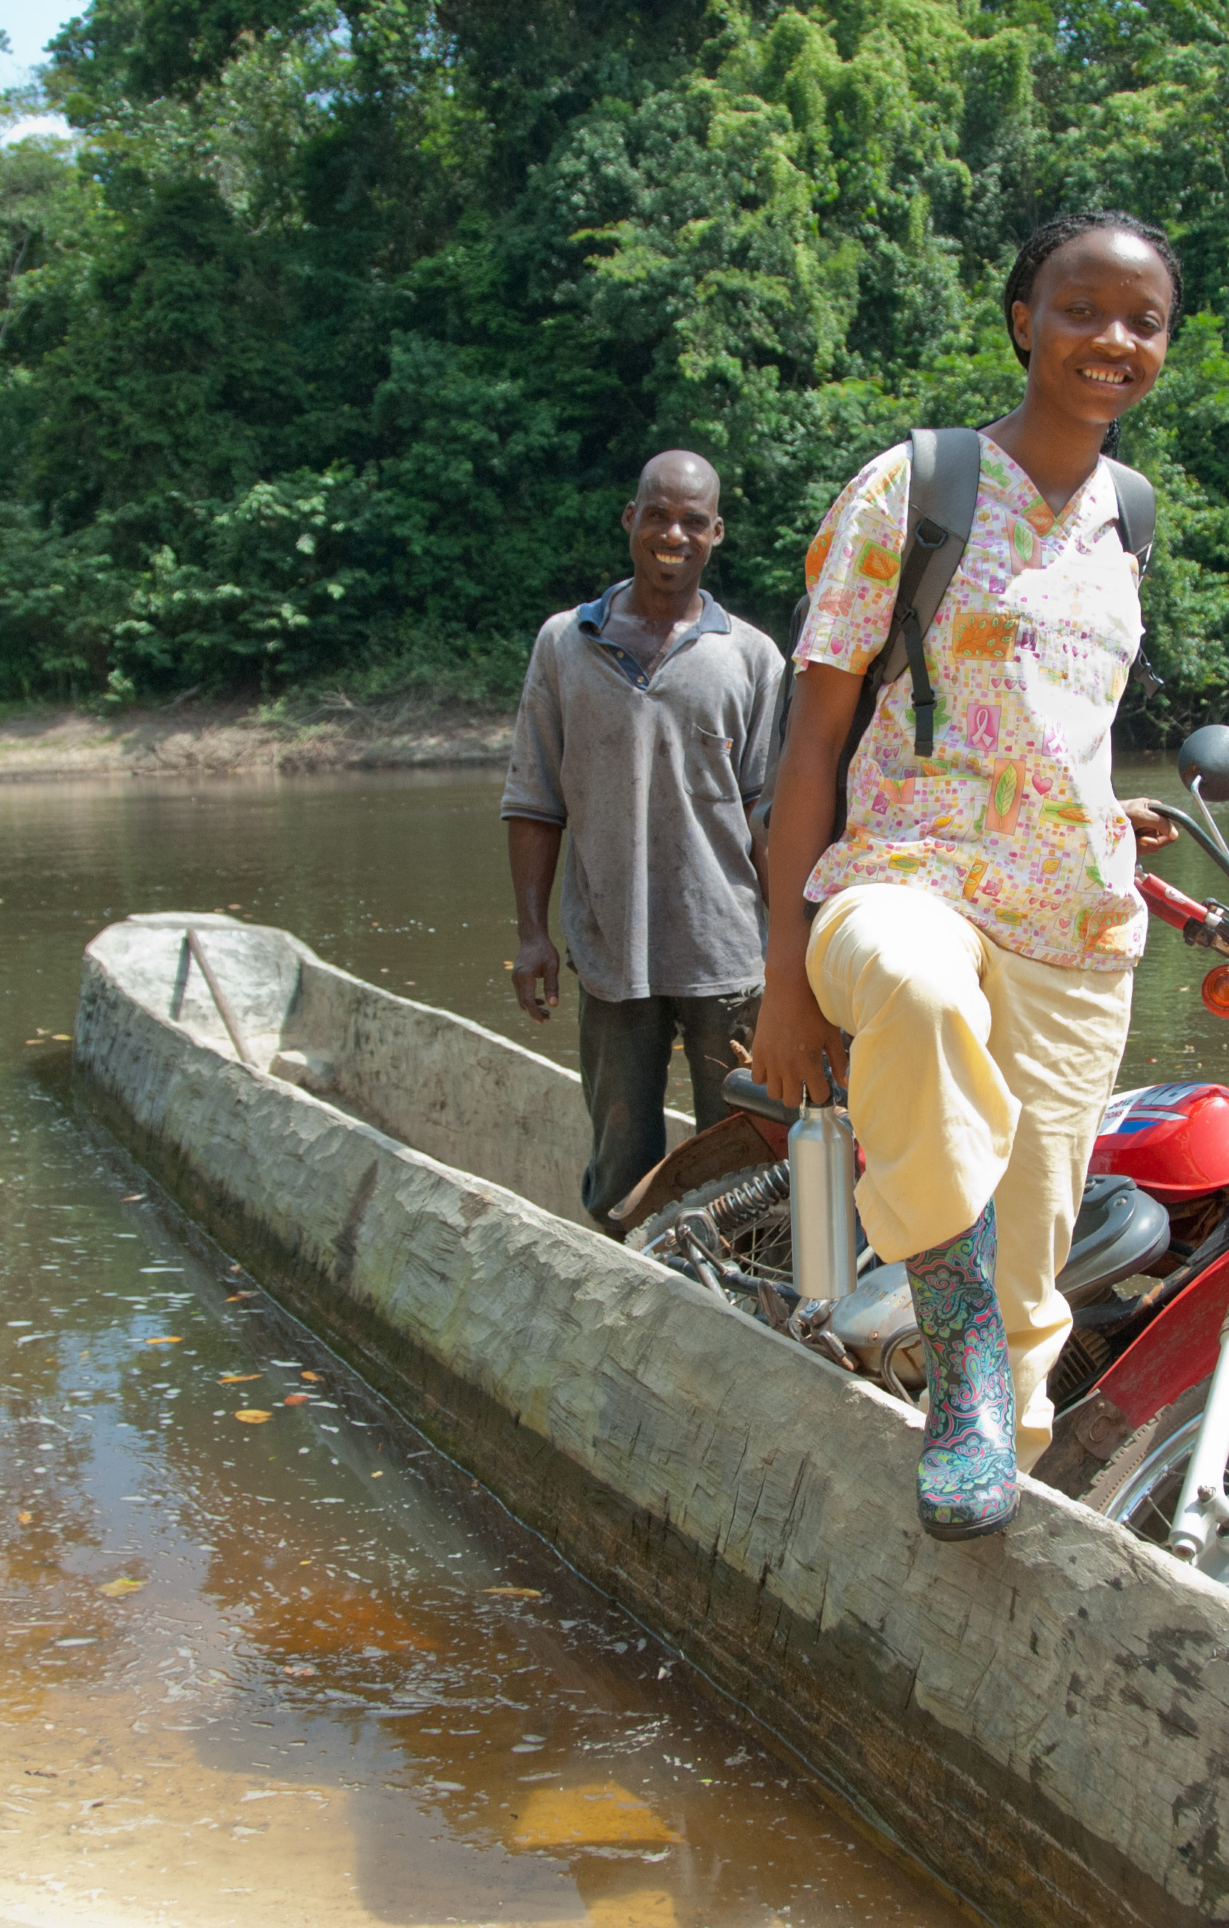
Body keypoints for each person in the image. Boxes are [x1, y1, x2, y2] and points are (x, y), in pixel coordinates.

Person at [748, 213, 1185, 1541]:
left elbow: (1057, 714)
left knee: (1039, 1259)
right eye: (1080, 308)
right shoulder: (919, 486)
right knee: (919, 990)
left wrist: (1108, 811)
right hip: (905, 874)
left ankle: (1000, 1501)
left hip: (1074, 925)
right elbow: (816, 740)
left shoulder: (1133, 519)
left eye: (1142, 320)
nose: (1111, 340)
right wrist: (782, 982)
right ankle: (955, 1354)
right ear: (1022, 320)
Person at [503, 451, 788, 1231]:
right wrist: (533, 939)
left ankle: (740, 1293)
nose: (673, 533)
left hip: (725, 950)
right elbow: (534, 800)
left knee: (745, 1153)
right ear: (630, 520)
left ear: (717, 533)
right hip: (610, 951)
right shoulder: (565, 644)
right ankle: (626, 1276)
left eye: (693, 520)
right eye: (657, 514)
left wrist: (795, 949)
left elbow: (767, 811)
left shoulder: (753, 656)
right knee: (620, 1160)